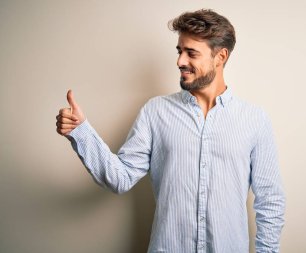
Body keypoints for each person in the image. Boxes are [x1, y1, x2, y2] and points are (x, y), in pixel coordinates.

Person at [56, 9, 285, 253]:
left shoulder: (254, 120)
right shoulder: (155, 113)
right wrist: (81, 131)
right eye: (179, 51)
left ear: (220, 57)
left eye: (191, 53)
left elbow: (270, 200)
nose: (180, 61)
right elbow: (119, 178)